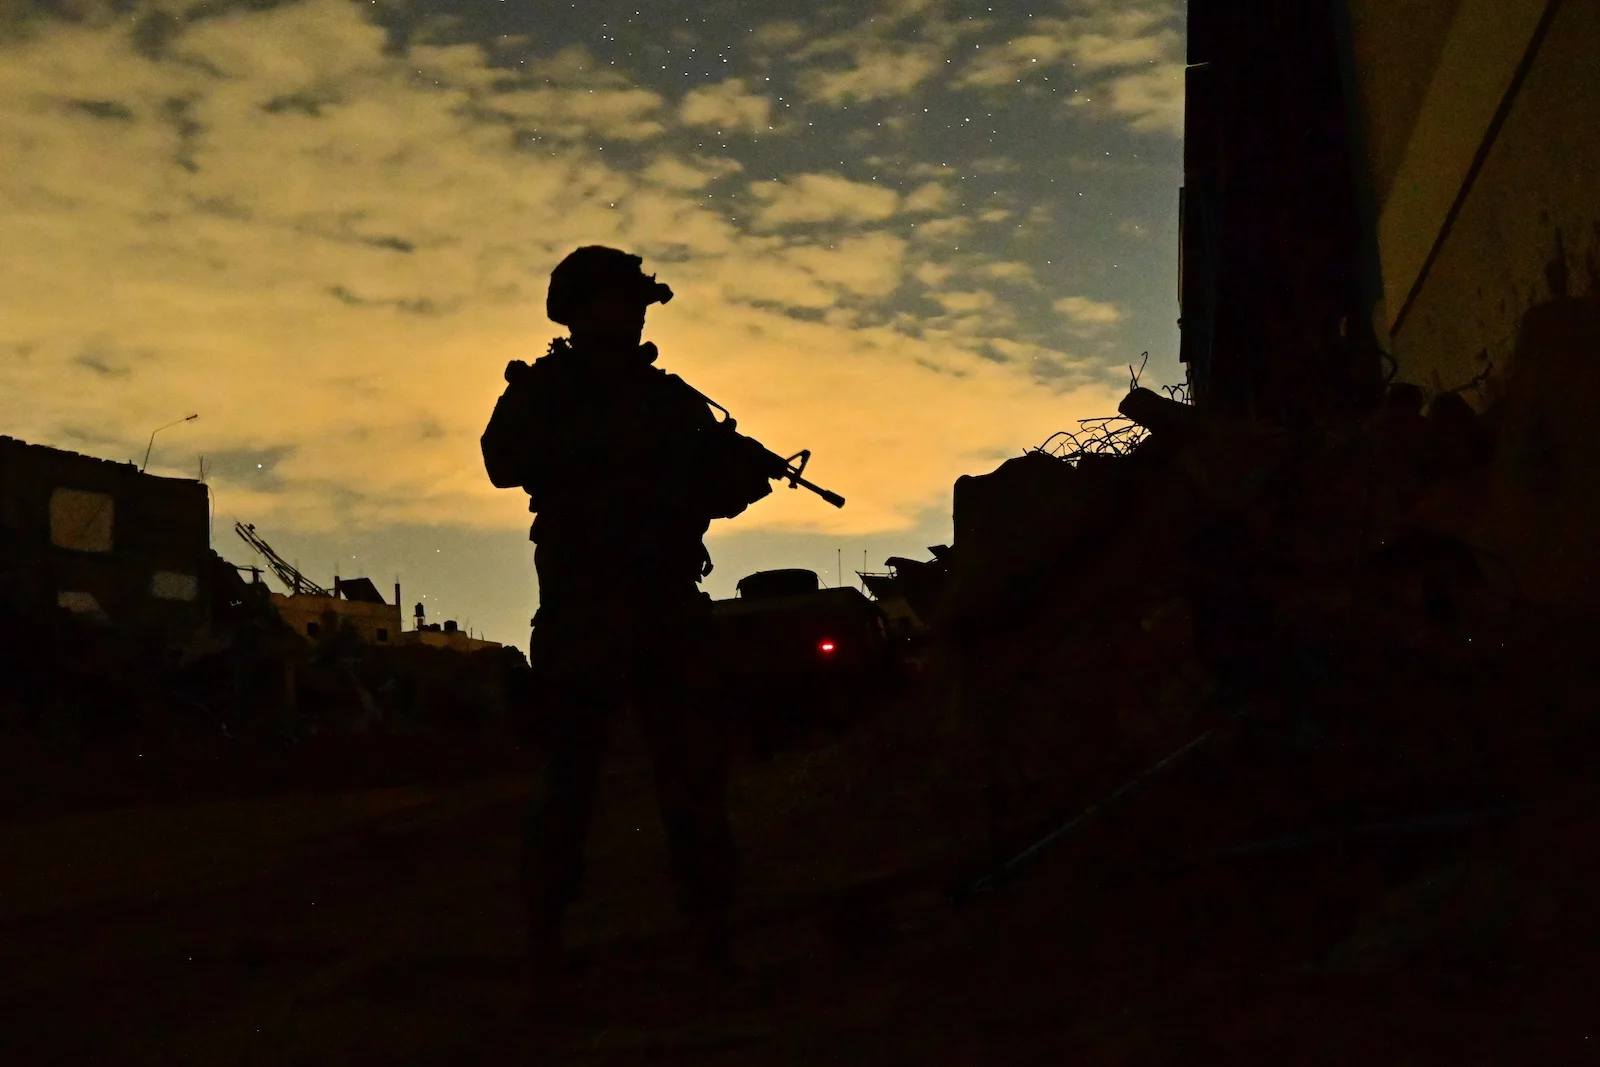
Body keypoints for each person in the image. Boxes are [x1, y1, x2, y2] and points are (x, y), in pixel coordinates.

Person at [480, 245, 777, 987]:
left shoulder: (672, 399)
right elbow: (501, 458)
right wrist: (619, 449)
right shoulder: (547, 389)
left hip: (666, 608)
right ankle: (543, 948)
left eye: (636, 300)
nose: (636, 310)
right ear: (579, 310)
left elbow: (710, 489)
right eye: (620, 299)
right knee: (568, 783)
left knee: (693, 783)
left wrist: (740, 476)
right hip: (586, 609)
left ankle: (712, 943)